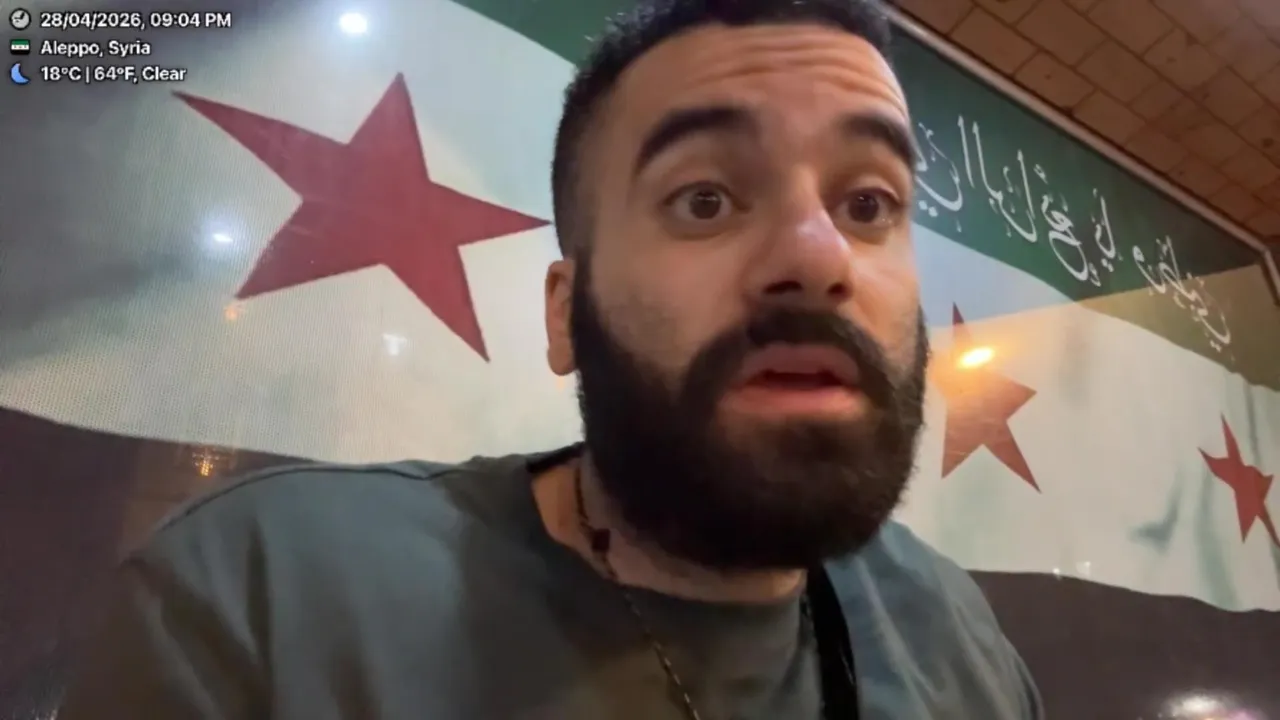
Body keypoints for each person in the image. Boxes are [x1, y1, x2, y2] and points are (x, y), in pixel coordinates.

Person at [59, 0, 1045, 717]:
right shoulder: (267, 602)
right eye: (705, 199)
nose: (819, 257)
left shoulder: (957, 646)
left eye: (867, 204)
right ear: (566, 313)